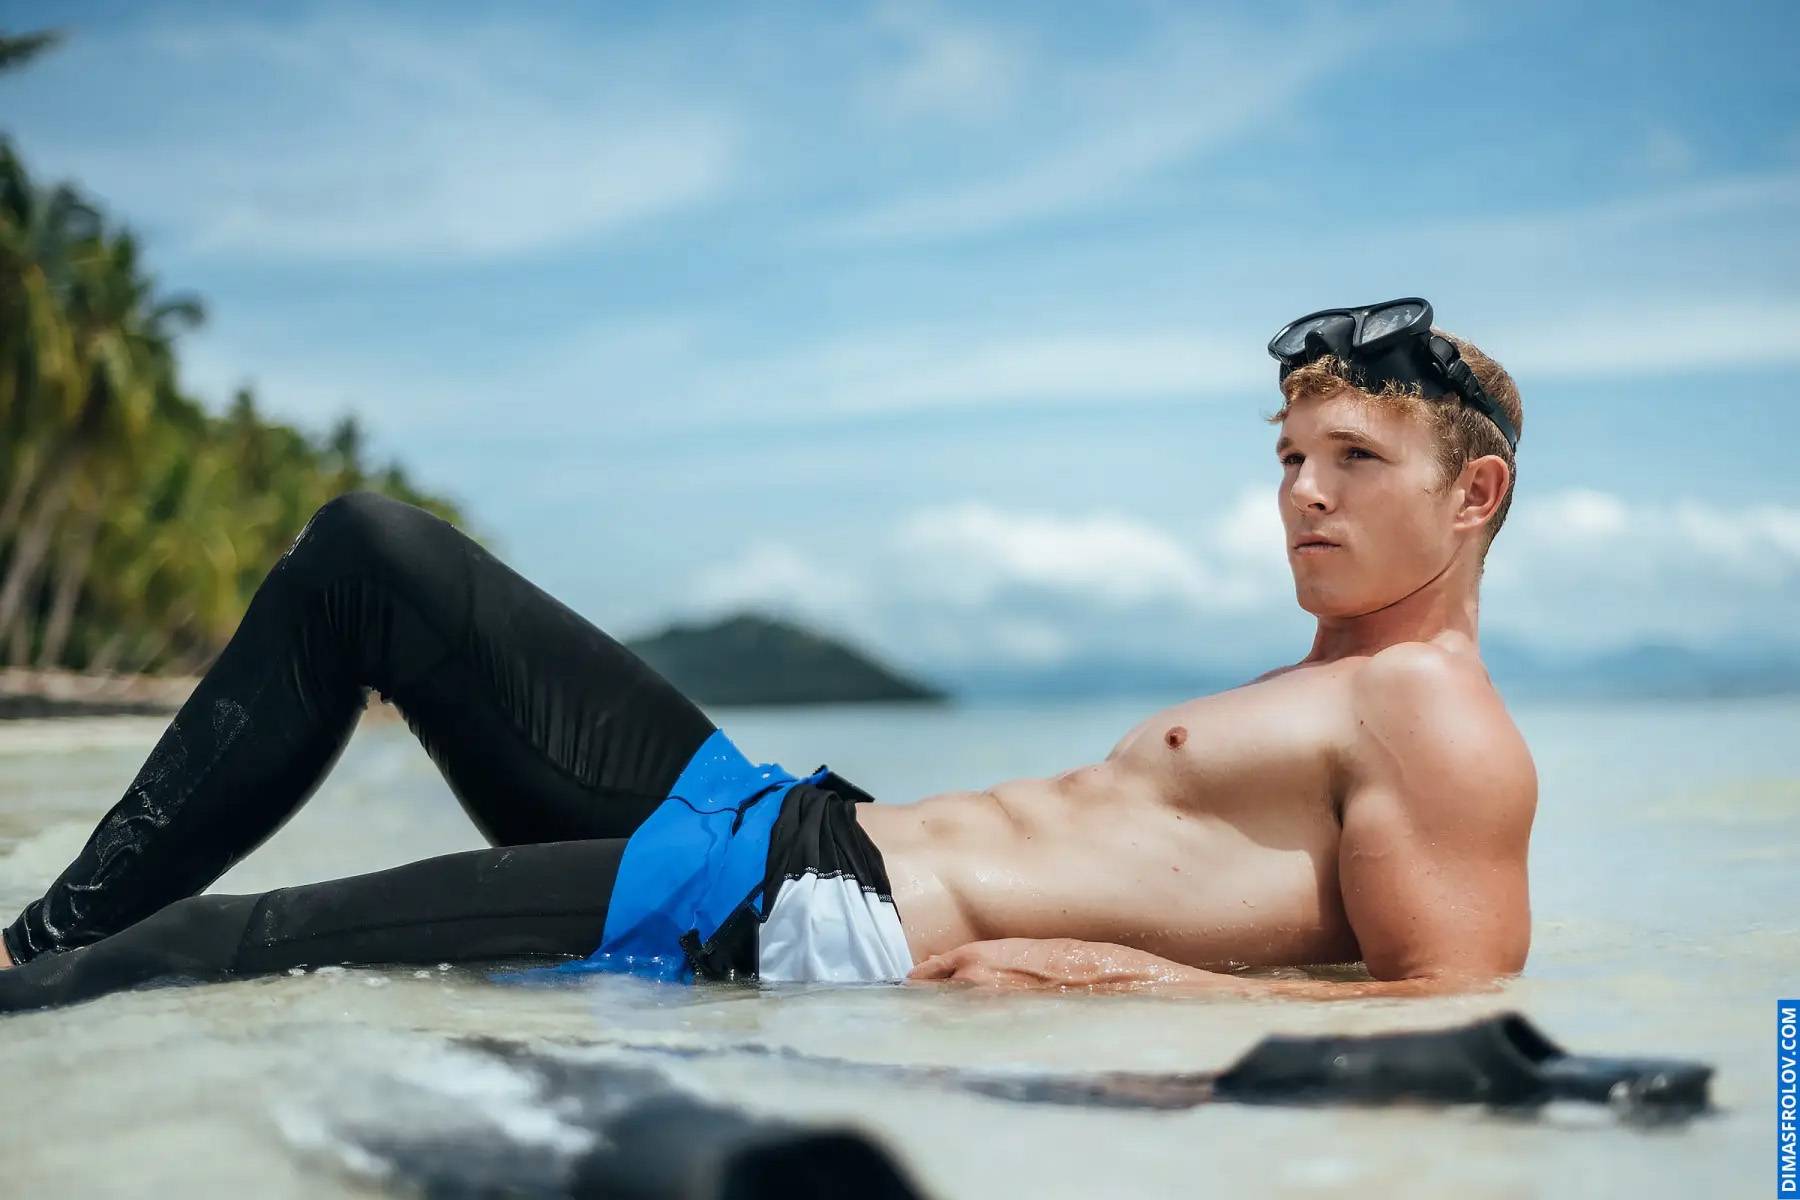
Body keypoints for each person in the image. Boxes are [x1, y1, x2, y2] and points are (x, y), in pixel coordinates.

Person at [0, 297, 1534, 1010]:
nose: (1301, 494)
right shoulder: (1327, 688)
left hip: (806, 917)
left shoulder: (1434, 720)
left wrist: (1116, 973)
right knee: (370, 554)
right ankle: (32, 944)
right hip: (778, 824)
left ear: (1475, 496)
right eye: (1288, 455)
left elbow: (1449, 1012)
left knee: (237, 944)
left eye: (1352, 460)